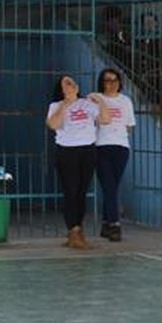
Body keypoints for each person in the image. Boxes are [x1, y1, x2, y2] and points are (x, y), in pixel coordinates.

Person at [46, 75, 109, 249]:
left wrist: (101, 102)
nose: (70, 85)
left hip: (87, 150)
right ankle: (73, 230)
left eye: (72, 82)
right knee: (70, 190)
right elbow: (53, 124)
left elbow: (105, 119)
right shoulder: (56, 106)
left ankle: (78, 229)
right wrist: (66, 104)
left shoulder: (87, 104)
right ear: (60, 88)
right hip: (67, 150)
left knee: (81, 191)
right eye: (65, 83)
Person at [92, 68, 135, 242]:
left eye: (115, 80)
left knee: (112, 187)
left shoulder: (125, 101)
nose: (111, 84)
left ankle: (105, 223)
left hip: (121, 147)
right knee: (109, 186)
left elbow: (130, 125)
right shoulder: (95, 99)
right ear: (102, 82)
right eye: (107, 80)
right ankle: (115, 224)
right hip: (101, 146)